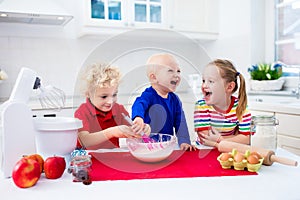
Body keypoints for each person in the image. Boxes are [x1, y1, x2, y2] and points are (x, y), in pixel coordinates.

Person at [74, 63, 150, 150]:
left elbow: (132, 132)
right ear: (88, 94)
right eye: (104, 96)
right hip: (90, 158)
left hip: (113, 156)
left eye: (114, 95)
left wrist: (142, 130)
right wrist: (112, 132)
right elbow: (84, 140)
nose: (110, 102)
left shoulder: (119, 109)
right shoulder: (82, 112)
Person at [131, 53, 196, 151]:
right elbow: (139, 104)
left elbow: (181, 123)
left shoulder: (175, 100)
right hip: (147, 146)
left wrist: (184, 141)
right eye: (170, 70)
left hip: (166, 146)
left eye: (178, 71)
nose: (176, 75)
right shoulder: (148, 95)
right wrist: (138, 118)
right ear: (154, 78)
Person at [194, 59, 252, 147]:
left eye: (211, 81)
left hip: (228, 150)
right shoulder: (202, 106)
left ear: (229, 87)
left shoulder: (240, 106)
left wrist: (220, 139)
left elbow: (246, 138)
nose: (204, 85)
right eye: (203, 81)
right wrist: (235, 138)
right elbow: (205, 138)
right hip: (204, 149)